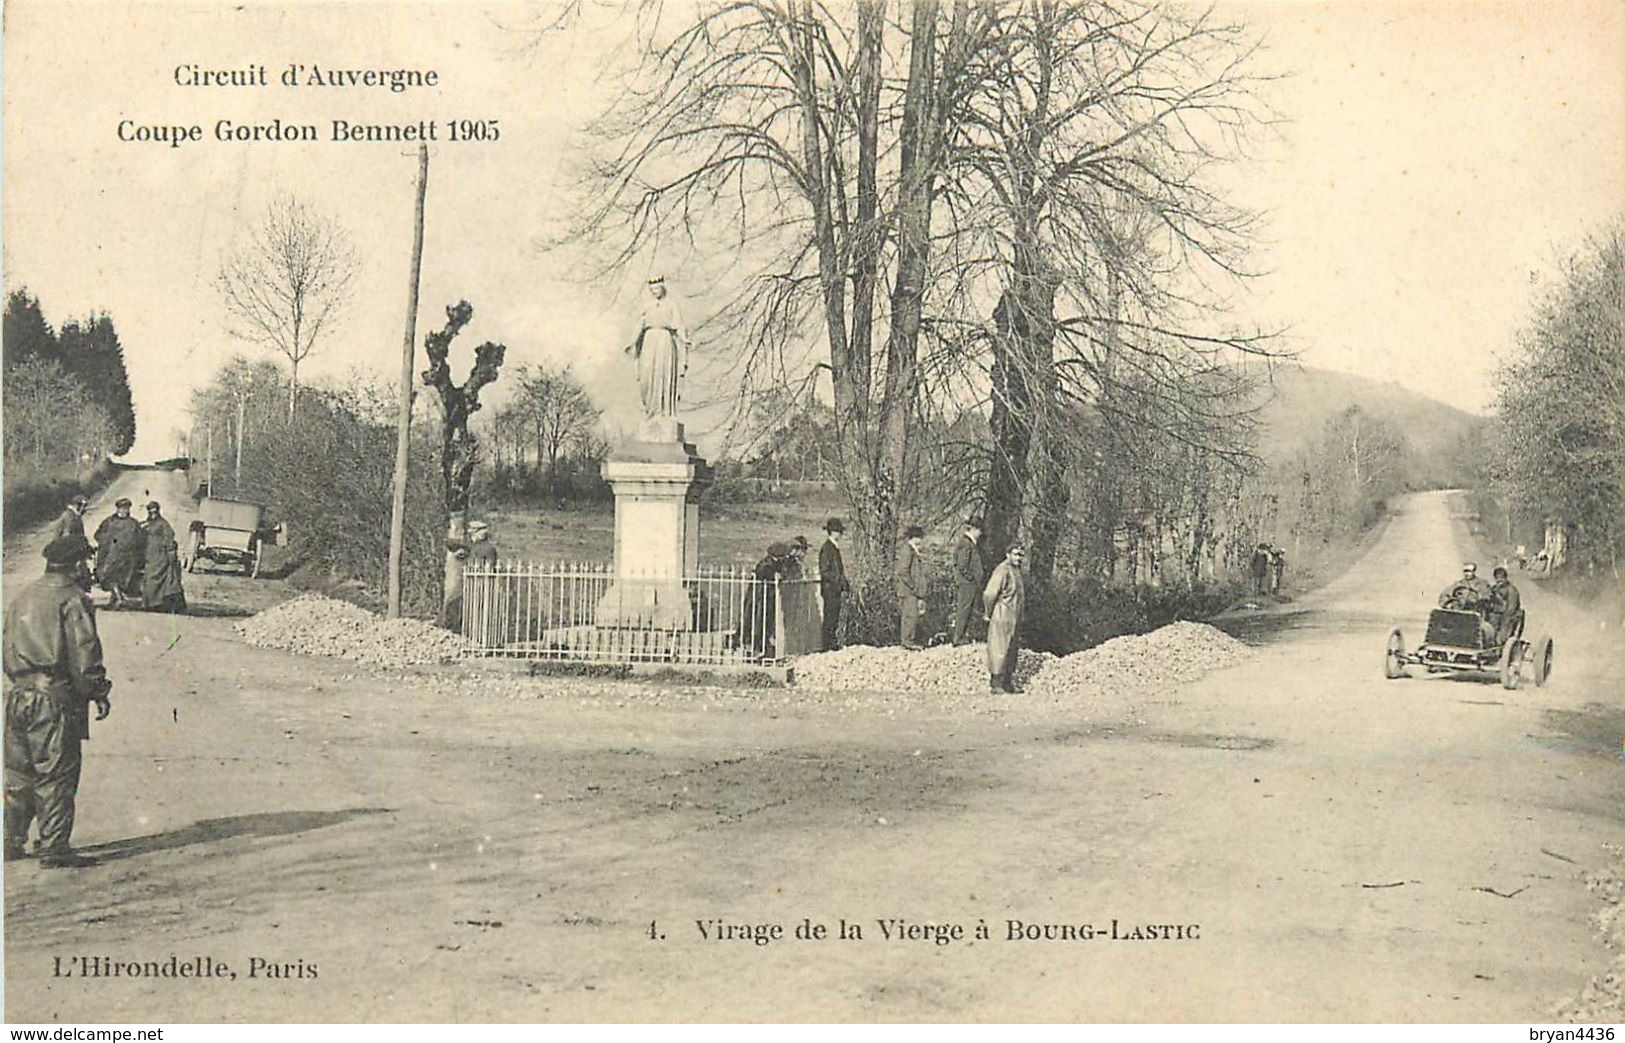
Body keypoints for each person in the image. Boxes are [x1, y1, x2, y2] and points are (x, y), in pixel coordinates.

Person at [4, 534, 113, 868]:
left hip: (18, 694)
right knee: (56, 773)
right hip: (53, 699)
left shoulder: (23, 596)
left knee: (19, 773)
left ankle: (8, 841)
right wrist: (98, 691)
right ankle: (54, 847)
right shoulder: (73, 600)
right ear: (78, 564)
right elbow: (84, 655)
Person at [625, 275, 691, 419]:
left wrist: (684, 339)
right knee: (646, 377)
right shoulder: (646, 306)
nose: (655, 292)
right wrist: (632, 342)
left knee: (663, 375)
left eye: (657, 289)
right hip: (649, 342)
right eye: (652, 290)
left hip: (665, 342)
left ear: (662, 288)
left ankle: (664, 412)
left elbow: (678, 324)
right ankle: (650, 410)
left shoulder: (671, 305)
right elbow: (639, 325)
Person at [983, 543, 1027, 694]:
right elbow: (989, 593)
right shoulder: (1002, 570)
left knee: (1012, 650)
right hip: (1002, 614)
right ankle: (996, 684)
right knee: (999, 648)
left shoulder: (1016, 571)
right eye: (1015, 554)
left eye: (1021, 555)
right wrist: (988, 613)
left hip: (1015, 616)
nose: (1018, 558)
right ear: (1008, 554)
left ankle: (1008, 683)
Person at [93, 498, 145, 608]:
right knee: (106, 576)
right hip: (109, 556)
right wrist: (106, 541)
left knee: (121, 578)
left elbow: (141, 540)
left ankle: (118, 598)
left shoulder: (133, 524)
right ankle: (117, 598)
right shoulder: (108, 522)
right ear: (117, 509)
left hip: (127, 558)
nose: (124, 511)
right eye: (122, 508)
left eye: (126, 508)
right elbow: (97, 535)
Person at [744, 542, 790, 659]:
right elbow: (764, 576)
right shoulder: (766, 564)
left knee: (767, 623)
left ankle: (764, 647)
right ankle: (756, 648)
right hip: (760, 598)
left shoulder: (775, 563)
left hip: (768, 598)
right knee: (759, 623)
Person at [140, 501, 187, 613]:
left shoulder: (163, 524)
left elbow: (169, 538)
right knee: (149, 578)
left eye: (155, 512)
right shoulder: (147, 524)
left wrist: (170, 552)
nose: (153, 514)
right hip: (150, 555)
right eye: (151, 512)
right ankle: (151, 603)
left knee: (156, 579)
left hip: (161, 556)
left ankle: (156, 604)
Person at [1438, 561, 1494, 643]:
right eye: (1465, 571)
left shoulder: (1482, 583)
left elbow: (1486, 596)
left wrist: (1476, 599)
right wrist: (1447, 603)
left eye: (1469, 571)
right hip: (1458, 611)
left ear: (1474, 571)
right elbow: (1445, 594)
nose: (1467, 573)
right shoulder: (1459, 583)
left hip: (1475, 611)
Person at [951, 517, 985, 645]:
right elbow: (962, 565)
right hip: (967, 583)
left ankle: (963, 636)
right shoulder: (966, 543)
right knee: (964, 608)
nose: (980, 534)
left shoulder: (968, 543)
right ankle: (958, 637)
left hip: (968, 582)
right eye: (979, 530)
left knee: (967, 608)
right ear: (974, 529)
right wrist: (971, 578)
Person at [817, 518, 850, 652]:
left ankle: (832, 643)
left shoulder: (833, 547)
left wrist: (844, 583)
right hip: (830, 589)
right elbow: (825, 571)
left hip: (835, 589)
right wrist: (838, 580)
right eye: (838, 531)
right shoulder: (827, 549)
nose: (840, 534)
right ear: (833, 532)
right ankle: (827, 645)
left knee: (834, 616)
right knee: (830, 617)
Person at [896, 525, 927, 650]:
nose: (919, 540)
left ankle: (909, 640)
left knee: (912, 615)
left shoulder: (912, 550)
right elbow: (902, 571)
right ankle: (908, 641)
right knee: (910, 616)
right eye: (917, 537)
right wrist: (913, 586)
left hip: (911, 591)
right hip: (908, 591)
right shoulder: (907, 551)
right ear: (911, 538)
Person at [1489, 566, 1523, 645]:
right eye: (1497, 578)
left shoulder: (1511, 590)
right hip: (1496, 614)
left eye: (1501, 578)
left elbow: (1511, 608)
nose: (1499, 580)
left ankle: (1501, 642)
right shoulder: (1494, 588)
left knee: (1505, 623)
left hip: (1510, 615)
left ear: (1505, 578)